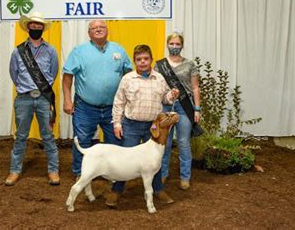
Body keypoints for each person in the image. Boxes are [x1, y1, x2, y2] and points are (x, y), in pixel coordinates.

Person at [106, 44, 179, 207]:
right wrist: (117, 123)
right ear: (134, 61)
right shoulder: (127, 79)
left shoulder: (159, 78)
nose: (143, 62)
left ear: (151, 60)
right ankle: (116, 191)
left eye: (146, 58)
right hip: (131, 125)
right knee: (124, 160)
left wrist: (171, 95)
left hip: (154, 127)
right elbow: (118, 103)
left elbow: (165, 99)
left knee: (156, 160)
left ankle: (158, 189)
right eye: (139, 59)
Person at [62, 20, 132, 178]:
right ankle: (81, 173)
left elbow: (129, 74)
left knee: (115, 142)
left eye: (102, 27)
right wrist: (67, 100)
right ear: (89, 33)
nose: (98, 30)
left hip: (113, 108)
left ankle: (113, 174)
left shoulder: (119, 49)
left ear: (107, 30)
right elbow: (67, 76)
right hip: (85, 107)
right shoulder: (79, 51)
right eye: (94, 28)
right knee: (82, 141)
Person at [5, 12, 60, 186]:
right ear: (28, 27)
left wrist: (40, 87)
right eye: (33, 25)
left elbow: (53, 72)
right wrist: (25, 88)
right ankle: (14, 171)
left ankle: (53, 171)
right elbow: (14, 74)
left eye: (39, 25)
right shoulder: (18, 51)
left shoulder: (51, 50)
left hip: (43, 98)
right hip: (23, 99)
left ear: (43, 28)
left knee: (48, 136)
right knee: (21, 136)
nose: (36, 28)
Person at [154, 32, 202, 190]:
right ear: (167, 44)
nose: (174, 47)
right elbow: (156, 87)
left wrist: (197, 108)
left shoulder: (190, 64)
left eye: (177, 44)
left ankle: (185, 177)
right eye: (172, 44)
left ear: (182, 45)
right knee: (165, 143)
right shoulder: (159, 65)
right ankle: (162, 174)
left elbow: (195, 88)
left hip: (184, 106)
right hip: (165, 106)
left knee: (183, 142)